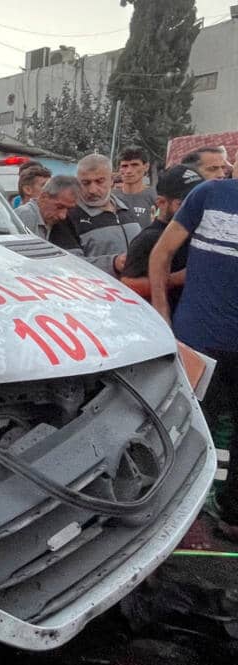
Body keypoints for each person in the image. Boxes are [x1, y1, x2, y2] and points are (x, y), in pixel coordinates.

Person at [148, 175, 238, 538]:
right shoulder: (210, 194)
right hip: (198, 341)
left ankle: (231, 515)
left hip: (207, 340)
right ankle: (174, 518)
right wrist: (161, 314)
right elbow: (161, 254)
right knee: (185, 431)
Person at [119, 164, 205, 307]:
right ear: (161, 203)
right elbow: (127, 285)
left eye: (199, 201)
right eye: (184, 204)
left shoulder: (200, 231)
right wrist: (177, 278)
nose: (194, 208)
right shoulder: (149, 239)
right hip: (162, 316)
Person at [64, 153, 143, 276]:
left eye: (99, 181)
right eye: (85, 183)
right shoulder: (67, 215)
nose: (92, 190)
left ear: (111, 180)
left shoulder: (126, 207)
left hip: (134, 286)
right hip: (95, 287)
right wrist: (113, 264)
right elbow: (68, 264)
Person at [15, 175, 79, 241]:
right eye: (59, 207)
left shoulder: (54, 220)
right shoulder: (25, 215)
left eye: (69, 209)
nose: (63, 216)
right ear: (44, 197)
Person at [114, 147, 157, 226]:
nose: (129, 171)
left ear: (146, 167)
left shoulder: (156, 197)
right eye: (124, 166)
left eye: (135, 165)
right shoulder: (111, 198)